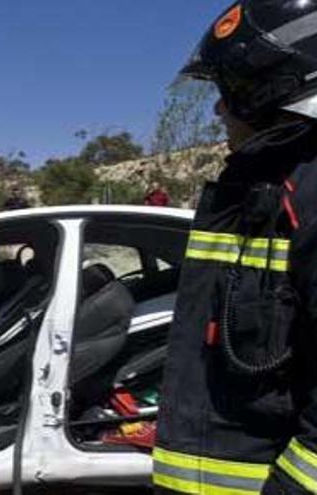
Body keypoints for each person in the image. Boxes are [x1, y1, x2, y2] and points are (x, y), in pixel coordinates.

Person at [154, 2, 317, 493]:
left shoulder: (307, 195)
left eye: (229, 92)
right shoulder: (256, 190)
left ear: (275, 87)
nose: (219, 109)